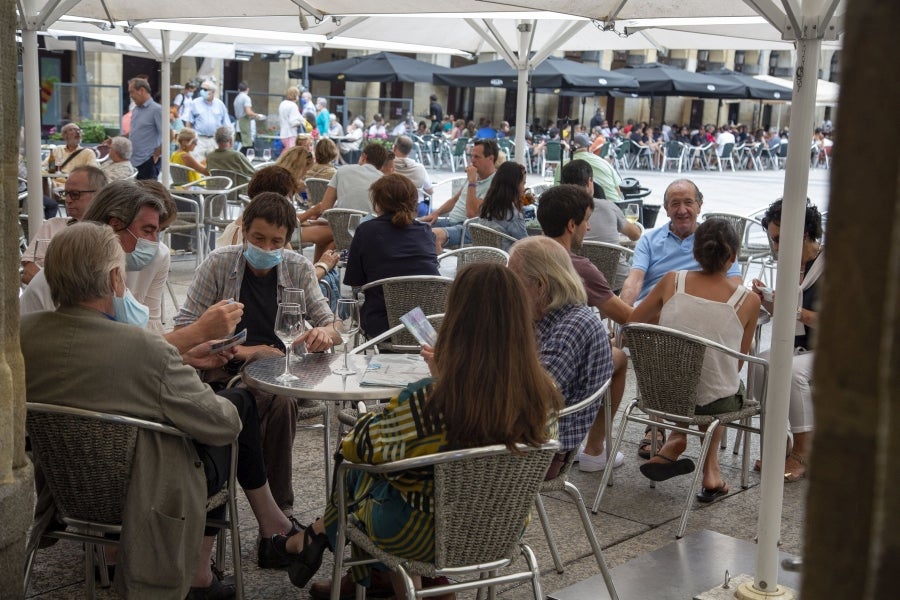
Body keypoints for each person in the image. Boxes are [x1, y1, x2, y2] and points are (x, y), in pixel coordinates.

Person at [21, 221, 298, 599]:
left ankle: (266, 528)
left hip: (62, 489)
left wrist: (179, 358)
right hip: (143, 493)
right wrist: (178, 367)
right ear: (117, 279)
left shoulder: (21, 336)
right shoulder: (141, 347)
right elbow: (221, 426)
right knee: (235, 409)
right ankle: (207, 571)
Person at [271, 263, 563, 598]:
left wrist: (438, 380)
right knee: (381, 477)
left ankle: (338, 556)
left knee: (356, 475)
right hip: (503, 528)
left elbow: (359, 447)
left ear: (457, 319)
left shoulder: (433, 399)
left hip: (422, 533)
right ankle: (363, 572)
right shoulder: (547, 397)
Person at [175, 192, 341, 523]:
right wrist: (250, 352)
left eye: (276, 242)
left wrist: (325, 334)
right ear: (243, 232)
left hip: (282, 371)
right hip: (223, 369)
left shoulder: (297, 268)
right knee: (275, 402)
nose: (266, 249)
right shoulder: (220, 263)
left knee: (277, 398)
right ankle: (279, 514)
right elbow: (185, 330)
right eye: (258, 239)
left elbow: (332, 323)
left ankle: (274, 511)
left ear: (287, 241)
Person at [629, 219, 760, 501]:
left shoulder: (671, 281)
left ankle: (676, 438)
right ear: (734, 257)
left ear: (695, 253)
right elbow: (735, 364)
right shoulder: (747, 301)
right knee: (718, 382)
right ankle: (710, 472)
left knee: (691, 376)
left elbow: (632, 325)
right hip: (713, 399)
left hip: (661, 395)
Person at [537, 184, 634, 471]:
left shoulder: (523, 254)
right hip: (557, 366)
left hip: (525, 353)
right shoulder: (577, 267)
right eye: (586, 221)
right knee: (618, 358)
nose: (588, 228)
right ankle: (593, 449)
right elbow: (625, 315)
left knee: (608, 348)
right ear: (571, 225)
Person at [508, 236, 614, 480]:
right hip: (525, 435)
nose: (507, 288)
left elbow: (532, 396)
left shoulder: (572, 325)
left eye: (513, 281)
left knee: (429, 453)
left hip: (539, 451)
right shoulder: (544, 317)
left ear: (541, 286)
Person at [750, 199, 824, 482]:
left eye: (779, 239)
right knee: (759, 365)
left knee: (792, 373)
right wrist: (766, 300)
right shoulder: (791, 264)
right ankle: (781, 442)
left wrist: (789, 308)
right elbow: (786, 314)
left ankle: (805, 450)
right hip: (799, 347)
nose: (776, 247)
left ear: (803, 232)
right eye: (773, 240)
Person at [344, 174, 440, 337]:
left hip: (382, 326)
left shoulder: (366, 231)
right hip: (424, 324)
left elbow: (355, 282)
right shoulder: (425, 231)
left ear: (378, 203)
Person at [297, 143, 388, 262]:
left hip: (342, 231)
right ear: (381, 165)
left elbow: (325, 208)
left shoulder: (343, 171)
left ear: (363, 157)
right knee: (335, 234)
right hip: (370, 235)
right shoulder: (384, 181)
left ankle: (318, 273)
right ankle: (320, 272)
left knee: (332, 232)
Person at [559, 160, 640, 290]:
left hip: (574, 281)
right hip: (615, 280)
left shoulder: (556, 211)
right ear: (589, 182)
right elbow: (635, 235)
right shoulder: (608, 207)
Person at [21, 166, 108, 285]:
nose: (67, 200)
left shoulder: (110, 233)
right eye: (65, 193)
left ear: (99, 194)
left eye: (75, 194)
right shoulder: (52, 226)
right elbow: (28, 271)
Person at [421, 139, 498, 248]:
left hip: (470, 228)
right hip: (451, 221)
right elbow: (455, 199)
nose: (472, 161)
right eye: (472, 156)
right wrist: (436, 213)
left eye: (477, 157)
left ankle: (431, 265)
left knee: (434, 236)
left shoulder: (495, 183)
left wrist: (472, 182)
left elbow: (472, 213)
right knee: (414, 227)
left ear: (490, 159)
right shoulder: (475, 175)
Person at [458, 161, 527, 251]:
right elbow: (527, 244)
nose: (524, 188)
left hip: (486, 260)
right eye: (523, 183)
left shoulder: (486, 207)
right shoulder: (513, 216)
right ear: (514, 186)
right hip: (509, 261)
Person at [126, 77, 163, 180]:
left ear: (142, 90)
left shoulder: (157, 110)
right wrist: (117, 140)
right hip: (134, 161)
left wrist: (156, 155)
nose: (130, 96)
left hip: (148, 161)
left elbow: (169, 135)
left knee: (148, 194)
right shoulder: (136, 110)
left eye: (132, 92)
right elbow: (135, 131)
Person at [185, 80, 231, 158]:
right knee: (197, 164)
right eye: (201, 89)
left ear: (213, 91)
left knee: (214, 165)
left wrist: (228, 140)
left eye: (205, 90)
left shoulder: (220, 105)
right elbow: (188, 123)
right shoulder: (195, 103)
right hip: (199, 139)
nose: (202, 91)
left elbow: (226, 125)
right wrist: (189, 139)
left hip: (215, 140)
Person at [391, 135, 434, 215]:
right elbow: (430, 191)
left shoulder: (388, 167)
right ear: (410, 151)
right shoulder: (420, 168)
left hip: (393, 209)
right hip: (416, 209)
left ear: (395, 148)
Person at [233, 81, 263, 154]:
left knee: (243, 144)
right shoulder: (246, 98)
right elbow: (248, 112)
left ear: (238, 89)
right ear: (248, 89)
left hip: (238, 123)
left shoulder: (237, 98)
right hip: (244, 123)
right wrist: (257, 115)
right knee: (248, 146)